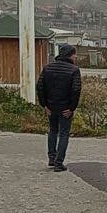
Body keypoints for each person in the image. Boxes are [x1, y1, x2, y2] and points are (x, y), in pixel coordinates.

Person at [36, 44, 82, 172]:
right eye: (74, 54)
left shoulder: (47, 68)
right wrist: (72, 108)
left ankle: (52, 158)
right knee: (64, 134)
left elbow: (40, 87)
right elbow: (76, 90)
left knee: (53, 131)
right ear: (70, 55)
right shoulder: (74, 70)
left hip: (51, 107)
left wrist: (44, 105)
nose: (76, 57)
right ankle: (59, 162)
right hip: (65, 108)